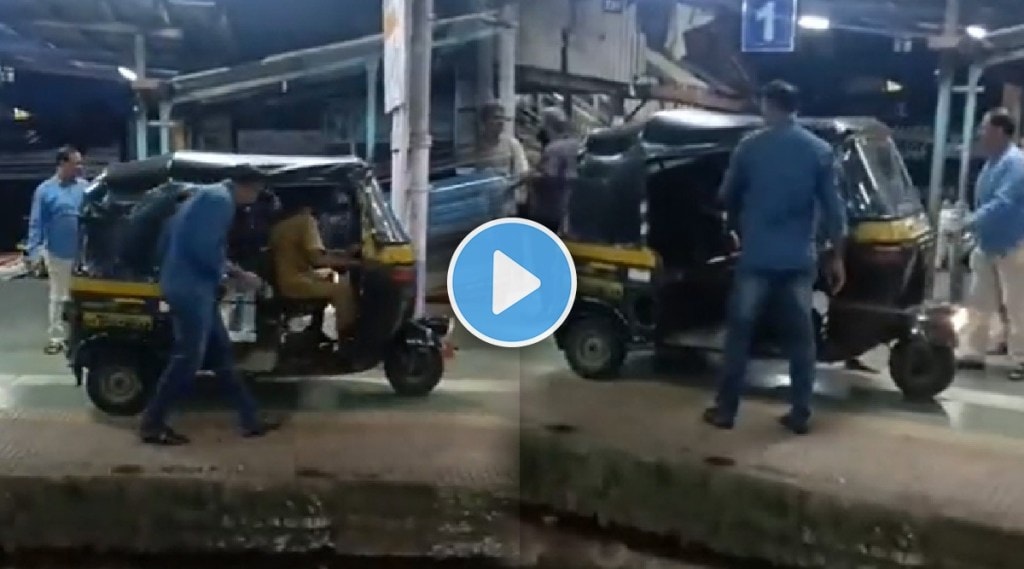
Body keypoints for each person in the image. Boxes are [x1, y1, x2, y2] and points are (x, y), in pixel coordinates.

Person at [703, 80, 847, 435]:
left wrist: (734, 226)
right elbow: (835, 212)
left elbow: (726, 197)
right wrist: (837, 257)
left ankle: (726, 411)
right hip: (799, 260)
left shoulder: (749, 148)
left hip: (756, 258)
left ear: (769, 105)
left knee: (739, 335)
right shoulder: (819, 151)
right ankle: (800, 413)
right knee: (801, 339)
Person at [140, 166, 279, 446]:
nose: (254, 200)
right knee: (188, 358)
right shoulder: (220, 202)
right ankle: (152, 423)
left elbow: (192, 243)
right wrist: (236, 276)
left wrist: (231, 271)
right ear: (247, 187)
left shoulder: (207, 195)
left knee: (222, 355)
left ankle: (250, 418)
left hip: (188, 284)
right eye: (256, 192)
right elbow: (203, 248)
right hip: (190, 289)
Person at [955, 108, 1024, 380]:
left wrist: (971, 221)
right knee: (979, 301)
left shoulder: (1016, 163)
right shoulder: (992, 162)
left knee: (1017, 303)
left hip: (1014, 244)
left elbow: (1003, 202)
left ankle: (1022, 358)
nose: (980, 133)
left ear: (999, 132)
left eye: (984, 128)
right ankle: (973, 352)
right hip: (987, 244)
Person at [25, 146, 88, 355]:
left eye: (80, 163)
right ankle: (56, 337)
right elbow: (37, 223)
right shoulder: (45, 190)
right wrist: (34, 253)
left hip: (83, 254)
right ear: (62, 164)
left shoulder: (85, 188)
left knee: (82, 297)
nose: (80, 167)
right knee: (59, 296)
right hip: (57, 252)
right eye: (75, 163)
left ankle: (81, 336)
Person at [269, 200, 360, 342]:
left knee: (329, 275)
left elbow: (311, 254)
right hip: (294, 281)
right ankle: (347, 337)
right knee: (342, 290)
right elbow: (317, 260)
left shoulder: (281, 225)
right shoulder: (305, 221)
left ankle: (315, 329)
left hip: (287, 277)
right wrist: (355, 263)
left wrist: (343, 255)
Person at [528, 106, 579, 233]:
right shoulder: (575, 143)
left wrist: (530, 176)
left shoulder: (554, 148)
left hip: (550, 210)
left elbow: (549, 177)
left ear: (547, 125)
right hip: (571, 207)